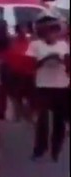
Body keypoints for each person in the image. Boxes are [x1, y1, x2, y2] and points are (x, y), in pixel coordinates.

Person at [26, 15, 70, 162]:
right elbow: (30, 65)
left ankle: (55, 150)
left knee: (59, 121)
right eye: (48, 31)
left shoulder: (63, 45)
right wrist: (45, 60)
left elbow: (68, 64)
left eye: (54, 31)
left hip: (61, 85)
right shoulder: (35, 45)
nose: (52, 34)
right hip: (42, 85)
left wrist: (64, 62)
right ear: (41, 32)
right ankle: (39, 149)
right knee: (42, 120)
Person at [0, 22, 35, 122]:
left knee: (28, 97)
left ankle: (26, 116)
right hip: (15, 74)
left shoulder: (32, 41)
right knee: (16, 96)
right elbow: (3, 58)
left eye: (25, 29)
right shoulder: (12, 42)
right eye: (22, 29)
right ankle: (20, 115)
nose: (24, 31)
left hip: (28, 74)